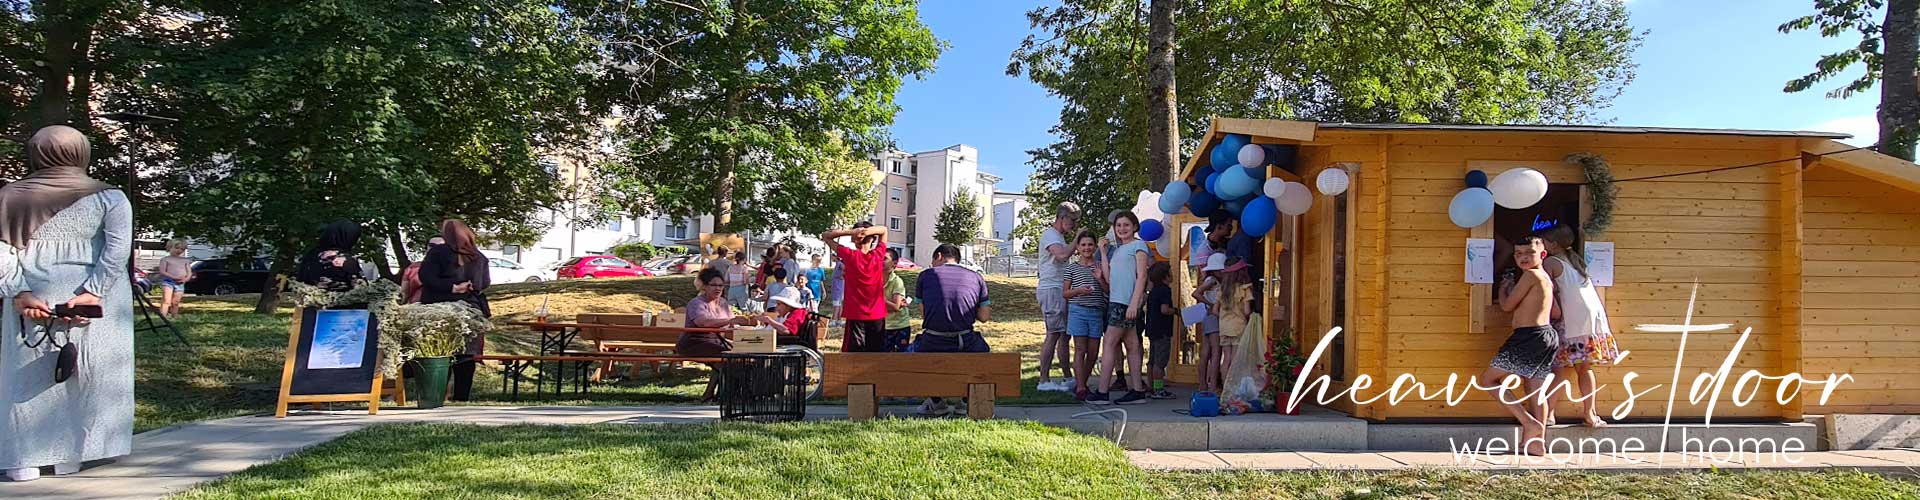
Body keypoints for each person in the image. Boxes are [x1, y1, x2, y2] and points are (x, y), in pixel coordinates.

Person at [0, 125, 134, 482]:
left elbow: (2, 250)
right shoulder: (111, 197)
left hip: (34, 291)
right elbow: (117, 250)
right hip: (92, 296)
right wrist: (94, 290)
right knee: (83, 371)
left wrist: (19, 291)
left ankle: (23, 459)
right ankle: (71, 455)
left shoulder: (9, 196)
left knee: (28, 376)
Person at [1484, 236, 1559, 456]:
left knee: (1488, 380)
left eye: (1529, 253)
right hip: (1546, 335)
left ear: (1542, 255)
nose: (1524, 258)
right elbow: (1556, 313)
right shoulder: (1546, 278)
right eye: (1518, 254)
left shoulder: (1531, 275)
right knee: (1536, 389)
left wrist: (1504, 287)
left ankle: (1529, 423)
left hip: (1528, 336)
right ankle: (1537, 442)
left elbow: (1507, 306)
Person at [1540, 224, 1621, 428]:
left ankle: (1549, 413)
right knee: (1584, 369)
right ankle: (1590, 413)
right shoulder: (1575, 261)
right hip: (1591, 320)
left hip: (1570, 320)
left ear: (1554, 244)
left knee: (1556, 367)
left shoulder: (1550, 262)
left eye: (1545, 242)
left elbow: (1543, 288)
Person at [911, 244, 992, 416]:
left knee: (913, 354)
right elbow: (984, 317)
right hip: (964, 341)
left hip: (933, 341)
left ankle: (936, 401)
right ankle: (964, 401)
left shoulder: (926, 276)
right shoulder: (976, 277)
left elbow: (925, 313)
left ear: (938, 256)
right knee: (983, 352)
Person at [419, 219, 491, 402]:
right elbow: (484, 283)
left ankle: (436, 395)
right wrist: (467, 286)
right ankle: (462, 397)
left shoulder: (437, 253)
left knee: (441, 352)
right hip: (471, 310)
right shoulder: (479, 256)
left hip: (439, 308)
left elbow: (426, 277)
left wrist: (451, 287)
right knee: (466, 355)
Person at [1091, 211, 1151, 406]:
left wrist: (1135, 303)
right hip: (1116, 300)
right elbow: (1109, 278)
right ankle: (1137, 391)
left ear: (1134, 226)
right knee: (1132, 345)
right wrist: (1102, 252)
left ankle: (1102, 392)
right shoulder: (1117, 250)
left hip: (1125, 303)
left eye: (1126, 225)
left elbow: (1142, 276)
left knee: (1109, 343)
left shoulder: (1139, 246)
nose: (1122, 229)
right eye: (1118, 226)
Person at [681, 268, 762, 401]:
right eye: (713, 285)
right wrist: (731, 320)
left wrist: (749, 326)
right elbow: (703, 323)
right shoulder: (696, 303)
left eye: (720, 285)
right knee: (729, 359)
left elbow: (732, 325)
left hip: (717, 342)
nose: (718, 288)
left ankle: (717, 395)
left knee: (737, 357)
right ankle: (726, 396)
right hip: (694, 342)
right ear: (704, 287)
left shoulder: (723, 303)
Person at [821, 221, 890, 352]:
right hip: (877, 314)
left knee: (853, 356)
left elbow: (826, 236)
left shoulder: (849, 255)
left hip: (856, 314)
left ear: (855, 240)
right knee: (876, 355)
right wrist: (867, 232)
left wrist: (851, 232)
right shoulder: (878, 255)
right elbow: (884, 230)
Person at [1034, 202, 1079, 393]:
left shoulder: (1058, 236)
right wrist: (1078, 239)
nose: (1075, 225)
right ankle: (1043, 379)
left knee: (1064, 335)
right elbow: (1061, 256)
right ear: (1062, 218)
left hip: (1060, 289)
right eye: (1073, 220)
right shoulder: (1050, 235)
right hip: (1051, 289)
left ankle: (1067, 377)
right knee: (1053, 334)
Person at [1062, 231, 1106, 401]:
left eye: (1090, 245)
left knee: (1093, 352)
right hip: (1078, 310)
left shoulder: (1100, 266)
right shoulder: (1072, 267)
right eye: (1083, 245)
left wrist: (1100, 279)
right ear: (1078, 248)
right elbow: (1065, 293)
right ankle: (1080, 387)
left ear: (1095, 247)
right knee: (1080, 349)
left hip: (1096, 311)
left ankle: (1083, 382)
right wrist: (1078, 291)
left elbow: (1107, 290)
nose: (1087, 248)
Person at [295, 219, 367, 292]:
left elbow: (300, 280)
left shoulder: (311, 254)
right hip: (339, 301)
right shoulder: (346, 259)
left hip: (306, 300)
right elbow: (361, 289)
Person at [1212, 256, 1253, 386]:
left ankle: (1225, 387)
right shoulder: (1244, 289)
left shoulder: (1221, 289)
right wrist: (1248, 317)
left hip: (1224, 327)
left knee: (1226, 358)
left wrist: (1223, 317)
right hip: (1238, 326)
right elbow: (1247, 311)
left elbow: (1214, 311)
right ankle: (1233, 389)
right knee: (1235, 359)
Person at [1192, 253, 1228, 393]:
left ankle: (1203, 384)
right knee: (1216, 351)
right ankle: (1212, 384)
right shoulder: (1212, 281)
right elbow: (1196, 293)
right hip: (1213, 317)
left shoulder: (1209, 279)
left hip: (1208, 316)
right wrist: (1212, 304)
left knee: (1206, 351)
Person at [1144, 261, 1176, 399]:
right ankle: (1158, 389)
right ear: (1166, 276)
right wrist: (1176, 311)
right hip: (1162, 330)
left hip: (1152, 328)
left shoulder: (1153, 291)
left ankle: (1151, 387)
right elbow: (1164, 309)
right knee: (1160, 362)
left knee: (1152, 360)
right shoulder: (1165, 290)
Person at [881, 248, 912, 352]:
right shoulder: (874, 280)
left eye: (884, 258)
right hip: (883, 325)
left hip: (899, 326)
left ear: (894, 263)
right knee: (882, 357)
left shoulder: (897, 281)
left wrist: (878, 299)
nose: (880, 260)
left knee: (900, 358)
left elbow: (895, 307)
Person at [400, 236, 444, 304]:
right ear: (426, 248)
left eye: (441, 246)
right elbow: (404, 294)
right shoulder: (412, 268)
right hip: (414, 310)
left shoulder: (457, 270)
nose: (436, 249)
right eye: (432, 245)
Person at [156, 239, 193, 318]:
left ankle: (174, 316)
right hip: (168, 282)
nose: (179, 250)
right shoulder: (166, 259)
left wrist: (186, 279)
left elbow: (189, 272)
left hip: (180, 283)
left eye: (182, 249)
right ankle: (163, 316)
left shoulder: (185, 260)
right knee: (166, 300)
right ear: (170, 247)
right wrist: (174, 277)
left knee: (175, 302)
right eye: (177, 248)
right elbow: (162, 271)